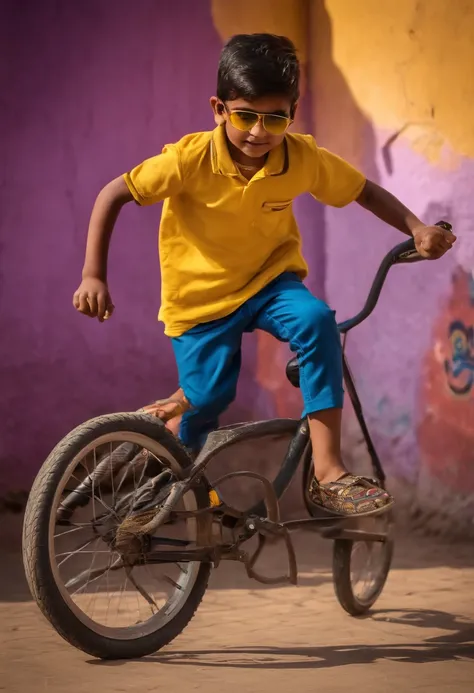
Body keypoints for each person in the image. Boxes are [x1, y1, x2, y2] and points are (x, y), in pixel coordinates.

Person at [73, 34, 456, 516]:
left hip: (270, 284)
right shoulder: (187, 160)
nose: (259, 131)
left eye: (275, 117)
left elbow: (364, 190)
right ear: (219, 109)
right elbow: (114, 194)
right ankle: (174, 460)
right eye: (245, 115)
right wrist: (93, 275)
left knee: (317, 322)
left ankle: (328, 472)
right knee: (208, 400)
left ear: (293, 113)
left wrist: (417, 227)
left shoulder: (301, 158)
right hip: (200, 299)